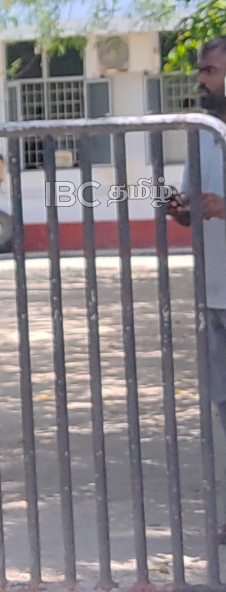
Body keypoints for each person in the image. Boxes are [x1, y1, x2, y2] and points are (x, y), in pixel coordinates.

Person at [166, 36, 226, 543]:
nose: (200, 81)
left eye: (209, 71)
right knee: (225, 404)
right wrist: (181, 210)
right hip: (214, 293)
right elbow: (193, 208)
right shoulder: (202, 133)